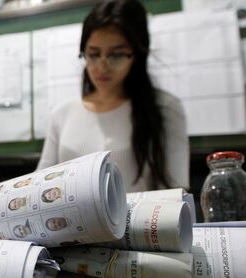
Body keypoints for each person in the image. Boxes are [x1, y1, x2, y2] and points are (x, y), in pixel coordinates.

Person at [36, 0, 189, 192]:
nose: (102, 67)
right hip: (73, 222)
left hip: (138, 221)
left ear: (136, 55)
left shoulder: (165, 108)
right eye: (93, 54)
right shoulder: (62, 114)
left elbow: (176, 192)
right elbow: (39, 187)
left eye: (116, 55)